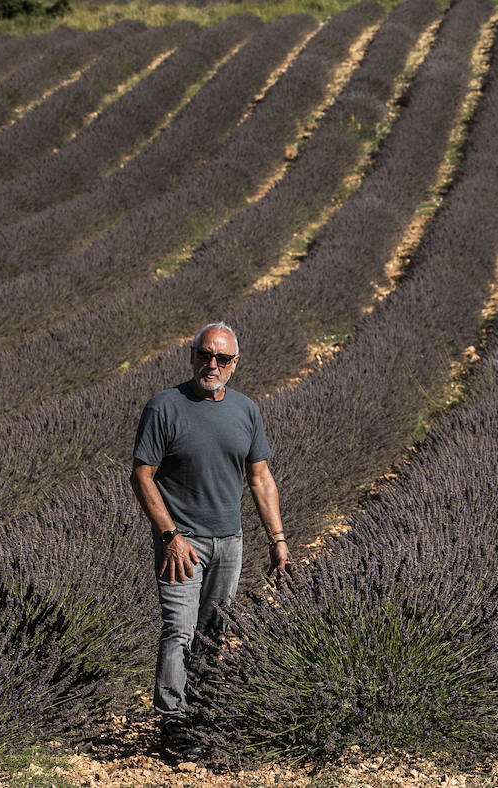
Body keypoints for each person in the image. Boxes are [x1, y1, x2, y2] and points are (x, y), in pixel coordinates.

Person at [130, 322, 291, 762]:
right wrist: (170, 535)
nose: (212, 364)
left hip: (230, 542)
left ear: (235, 364)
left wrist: (277, 539)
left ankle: (200, 706)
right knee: (178, 629)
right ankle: (173, 720)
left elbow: (260, 479)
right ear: (192, 355)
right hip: (182, 542)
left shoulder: (246, 411)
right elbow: (141, 475)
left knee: (214, 630)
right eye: (205, 354)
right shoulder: (165, 407)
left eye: (222, 358)